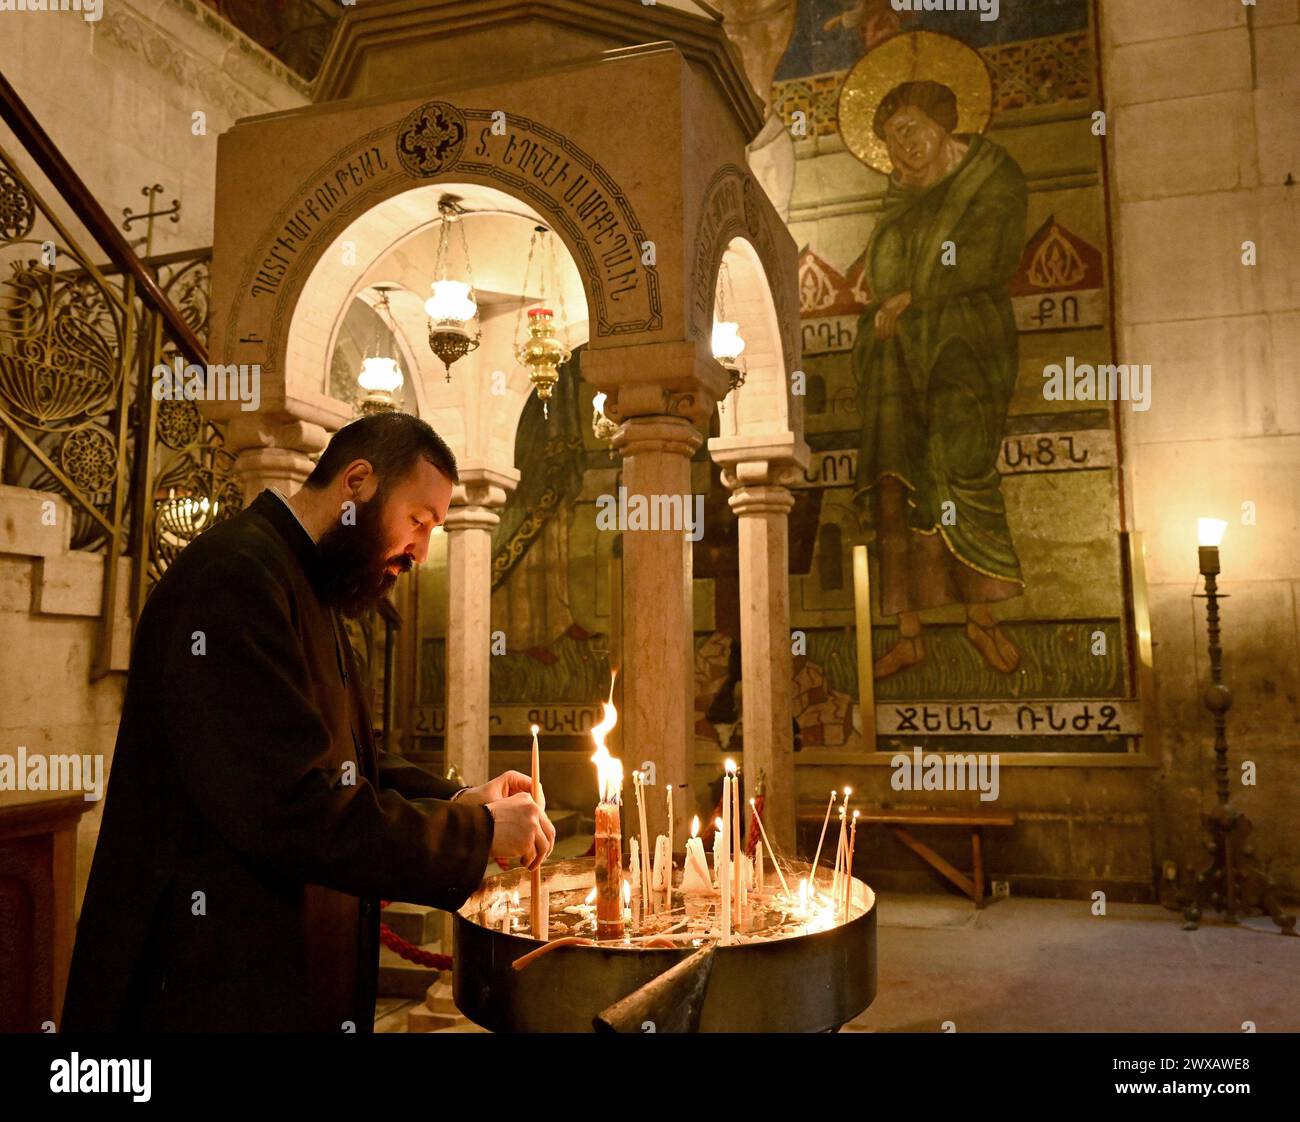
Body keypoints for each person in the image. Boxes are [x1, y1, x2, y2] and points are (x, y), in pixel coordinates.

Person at [62, 412, 554, 1032]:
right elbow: (293, 805)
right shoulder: (235, 579)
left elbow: (345, 759)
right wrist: (475, 833)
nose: (421, 553)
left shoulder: (303, 585)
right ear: (357, 482)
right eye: (419, 521)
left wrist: (460, 799)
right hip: (203, 988)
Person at [851, 79, 1027, 679]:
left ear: (942, 123)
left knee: (960, 466)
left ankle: (981, 615)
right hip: (899, 353)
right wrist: (890, 303)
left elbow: (992, 258)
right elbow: (882, 269)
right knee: (900, 481)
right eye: (889, 142)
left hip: (965, 343)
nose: (902, 150)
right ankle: (909, 632)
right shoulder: (899, 198)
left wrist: (915, 295)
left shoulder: (992, 177)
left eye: (909, 132)